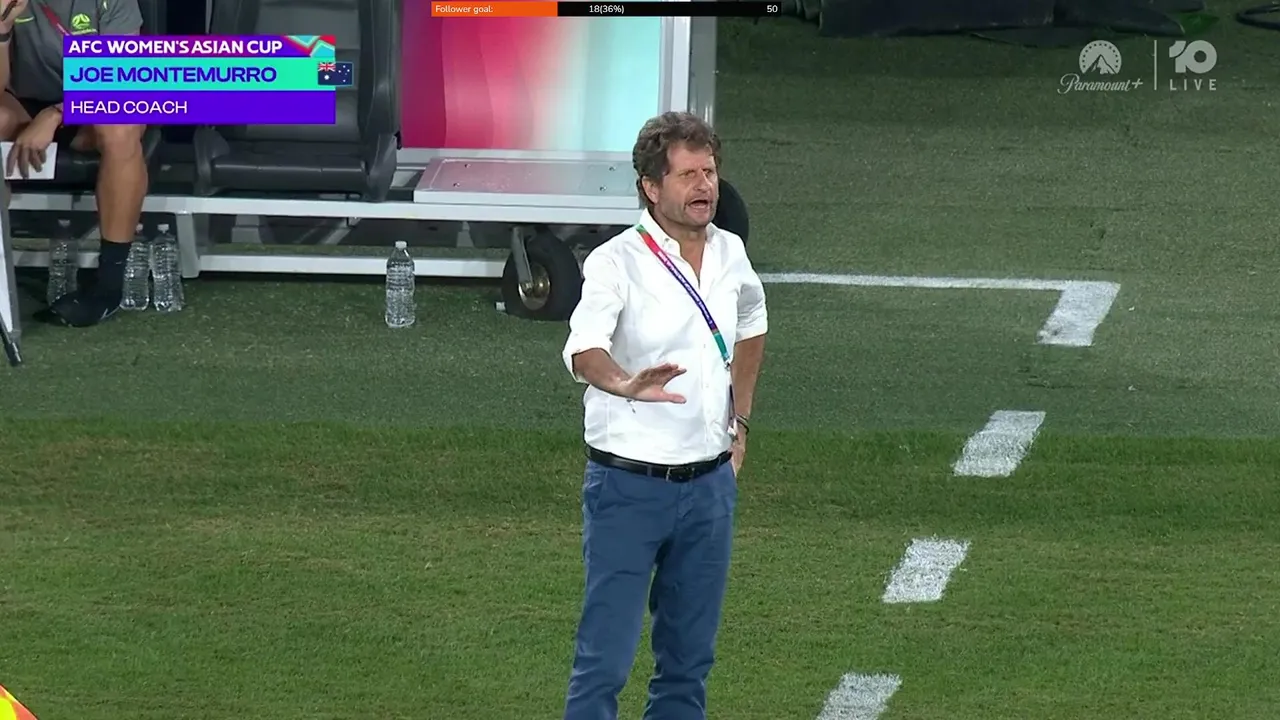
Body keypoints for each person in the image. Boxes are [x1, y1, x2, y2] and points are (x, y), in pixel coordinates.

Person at [560, 111, 768, 720]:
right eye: (688, 175)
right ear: (651, 187)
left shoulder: (730, 252)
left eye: (710, 172)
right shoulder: (615, 262)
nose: (705, 186)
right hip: (629, 487)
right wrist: (625, 383)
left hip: (709, 489)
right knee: (605, 663)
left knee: (688, 662)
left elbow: (753, 320)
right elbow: (584, 349)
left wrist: (741, 423)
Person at [0, 0, 148, 327]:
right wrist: (2, 29)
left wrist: (56, 114)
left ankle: (108, 288)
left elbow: (120, 80)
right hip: (24, 106)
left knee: (119, 125)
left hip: (95, 107)